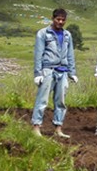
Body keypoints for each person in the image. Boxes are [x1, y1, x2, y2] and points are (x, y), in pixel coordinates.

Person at [32, 8, 78, 138]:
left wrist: (72, 72)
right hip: (48, 70)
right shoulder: (43, 33)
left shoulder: (67, 35)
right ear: (53, 19)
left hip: (62, 71)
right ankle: (36, 127)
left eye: (63, 20)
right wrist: (38, 74)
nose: (61, 22)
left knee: (61, 101)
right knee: (42, 100)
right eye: (58, 19)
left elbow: (70, 54)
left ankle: (58, 128)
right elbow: (38, 54)